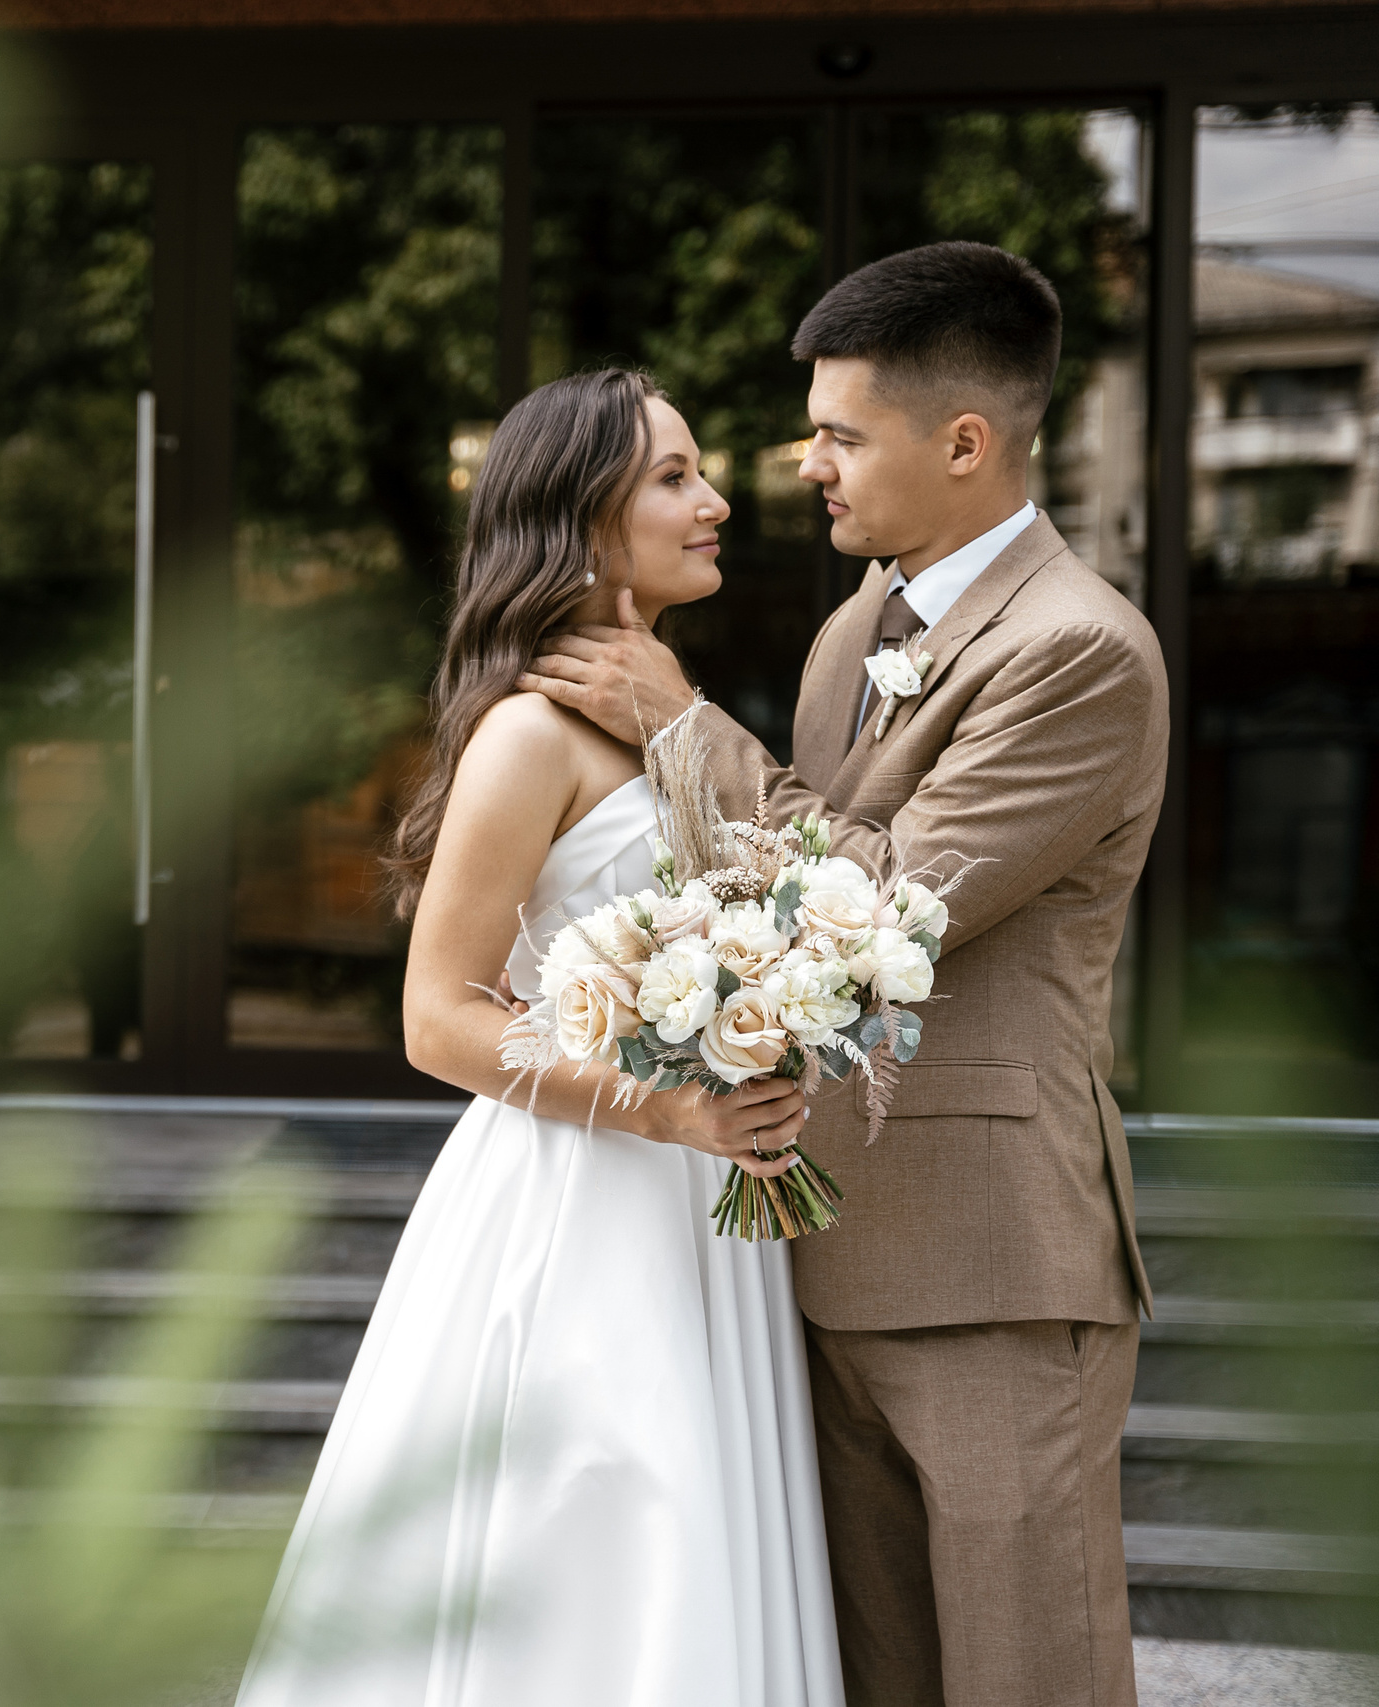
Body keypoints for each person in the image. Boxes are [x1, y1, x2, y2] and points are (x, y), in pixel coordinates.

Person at [521, 242, 1162, 1707]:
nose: (805, 465)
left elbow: (876, 910)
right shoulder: (850, 634)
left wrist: (686, 731)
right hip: (822, 1253)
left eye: (839, 434)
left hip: (997, 1259)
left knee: (1024, 1674)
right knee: (878, 1676)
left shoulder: (1081, 653)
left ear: (962, 442)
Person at [232, 367, 846, 1707]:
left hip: (708, 1207)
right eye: (675, 478)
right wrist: (667, 1110)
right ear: (582, 515)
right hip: (583, 1205)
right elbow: (437, 1016)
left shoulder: (670, 711)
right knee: (605, 1529)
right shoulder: (529, 731)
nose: (717, 501)